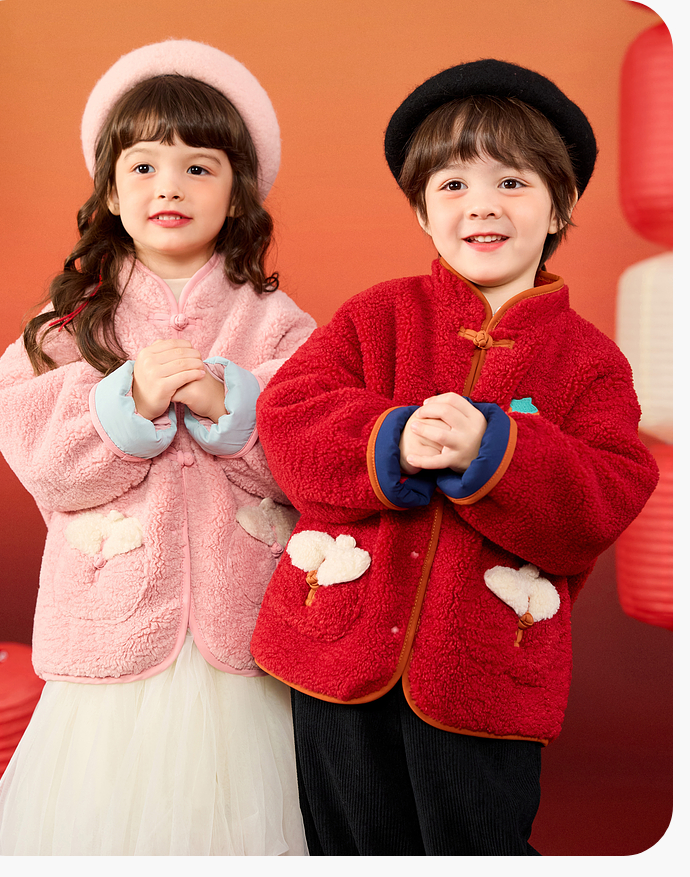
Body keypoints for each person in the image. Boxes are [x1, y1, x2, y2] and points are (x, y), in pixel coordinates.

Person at [249, 59, 659, 855]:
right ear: (421, 209)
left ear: (560, 204)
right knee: (347, 842)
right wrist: (391, 438)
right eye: (453, 184)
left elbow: (608, 493)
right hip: (338, 646)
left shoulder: (590, 363)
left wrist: (501, 450)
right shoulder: (378, 316)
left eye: (512, 182)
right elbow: (289, 417)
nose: (482, 204)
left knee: (477, 844)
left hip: (486, 672)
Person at [0, 39, 315, 856]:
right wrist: (124, 404)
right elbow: (36, 448)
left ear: (237, 193)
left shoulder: (278, 324)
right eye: (144, 166)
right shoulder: (73, 322)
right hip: (112, 627)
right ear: (110, 192)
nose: (170, 186)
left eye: (199, 167)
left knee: (245, 816)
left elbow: (316, 457)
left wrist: (232, 406)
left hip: (245, 632)